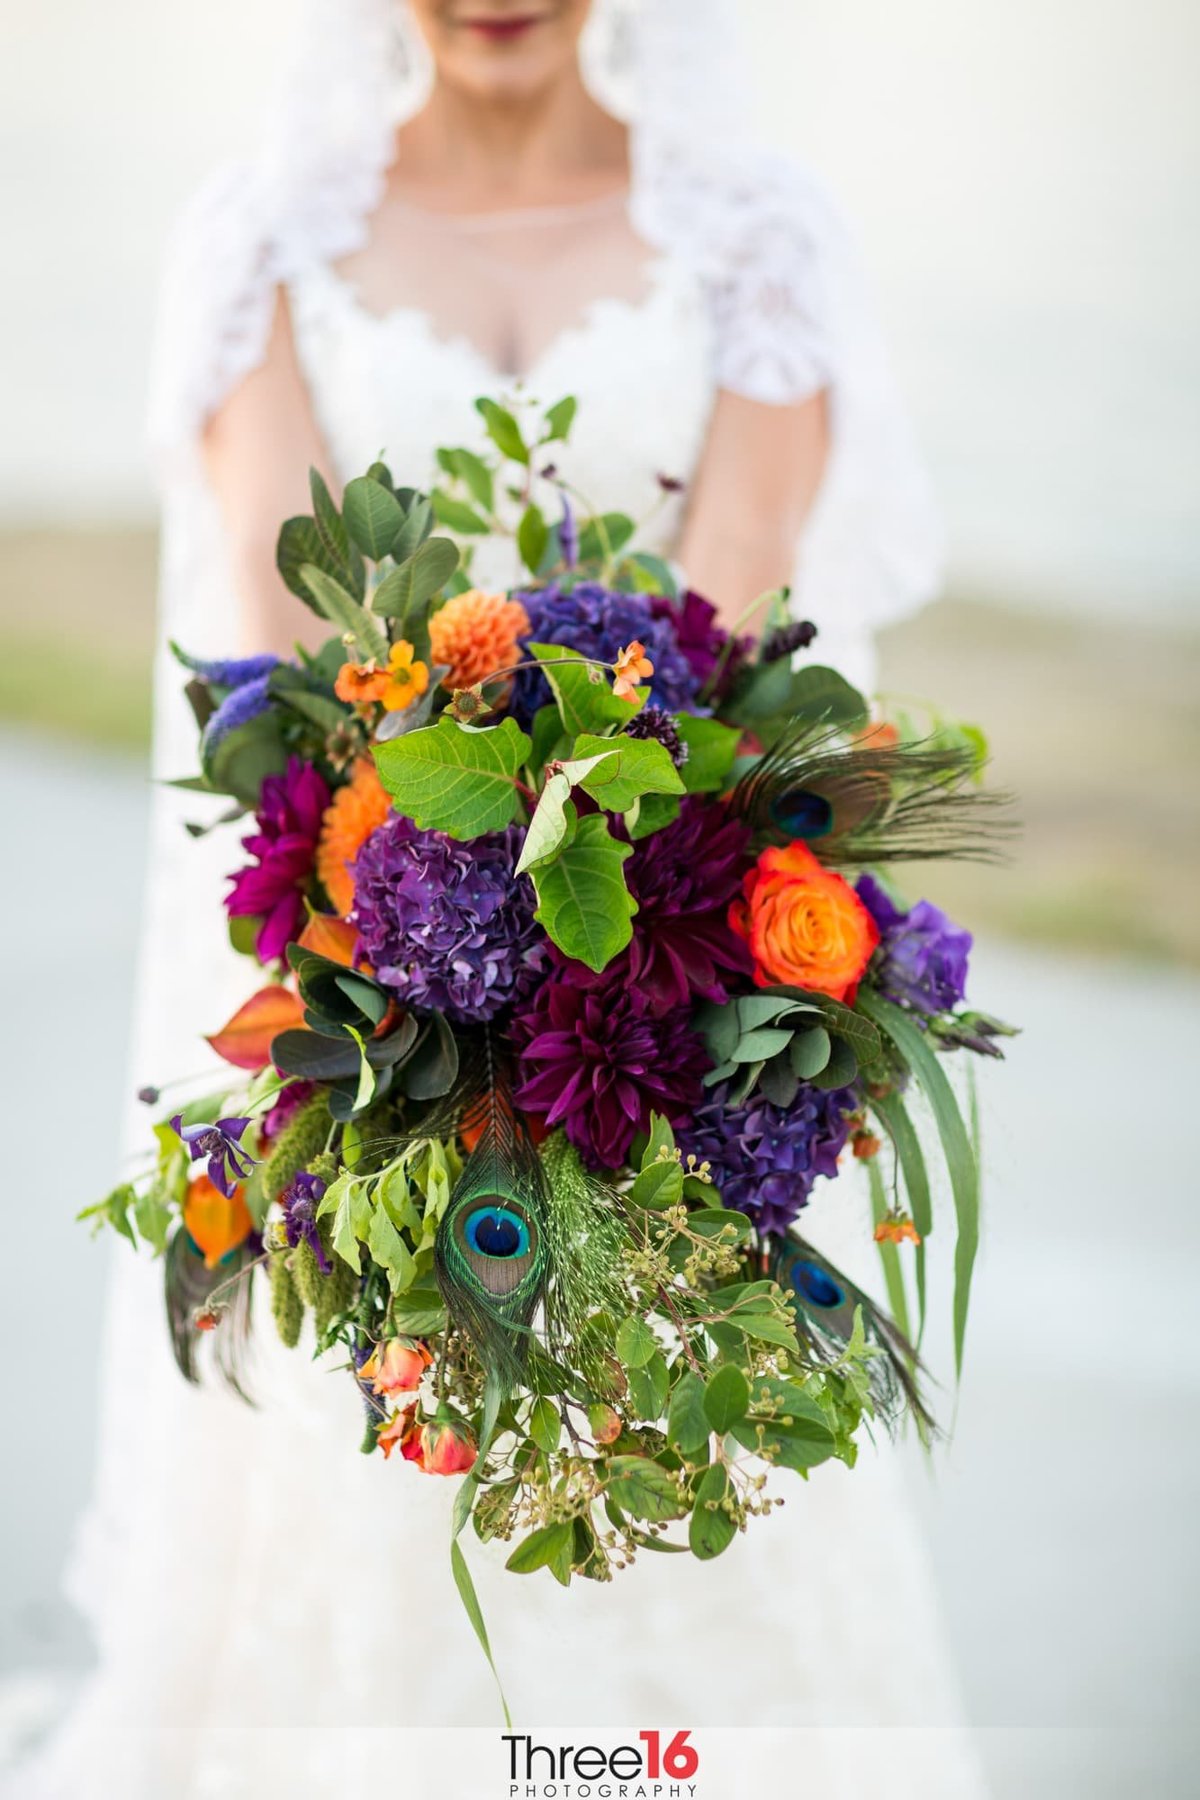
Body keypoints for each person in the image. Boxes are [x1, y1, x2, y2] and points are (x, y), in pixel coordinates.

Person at [19, 3, 980, 1796]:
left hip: (662, 998)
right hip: (388, 1001)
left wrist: (592, 983)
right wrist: (414, 1008)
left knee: (688, 1458)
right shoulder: (264, 246)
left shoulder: (757, 242)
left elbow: (730, 639)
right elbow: (283, 659)